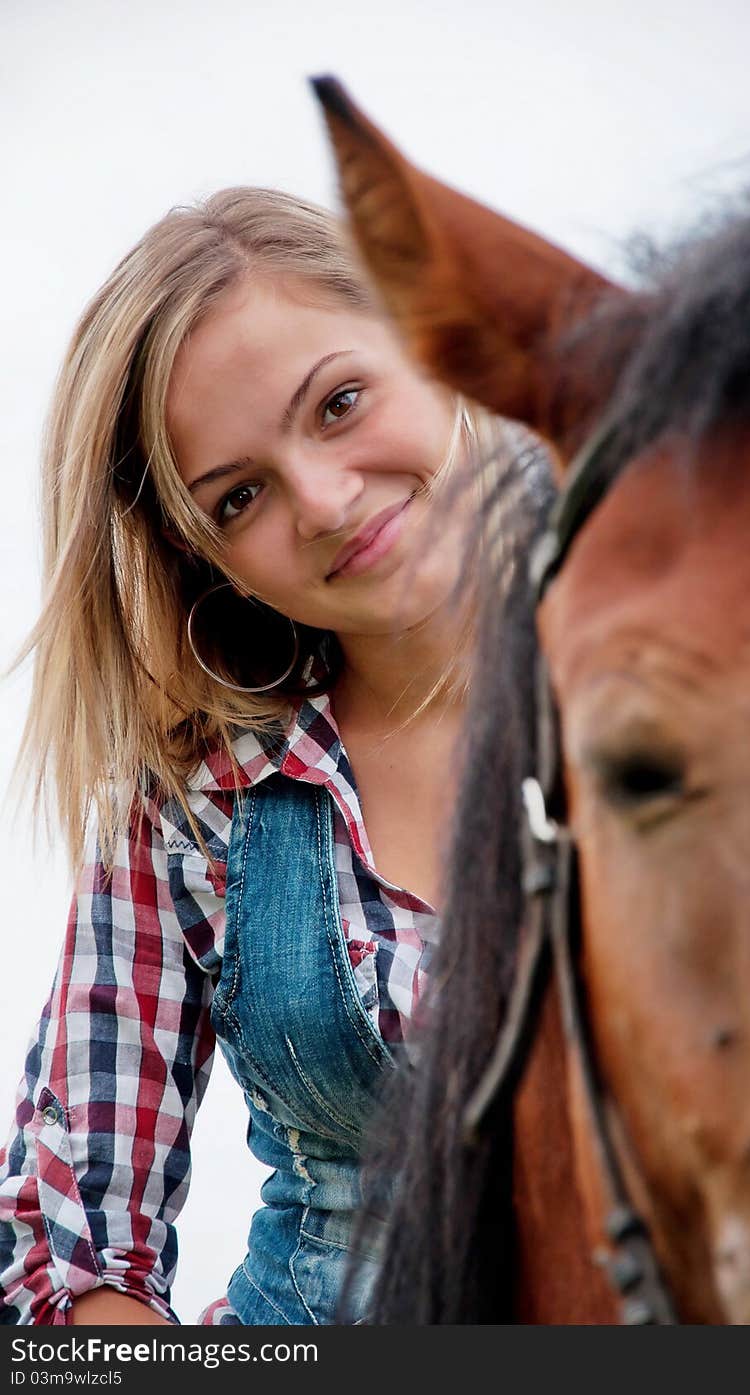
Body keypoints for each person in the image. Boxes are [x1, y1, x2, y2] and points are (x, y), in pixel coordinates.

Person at [0, 187, 507, 1326]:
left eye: (338, 402)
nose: (325, 502)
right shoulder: (194, 805)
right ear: (207, 557)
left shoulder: (704, 674)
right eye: (240, 494)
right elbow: (73, 1256)